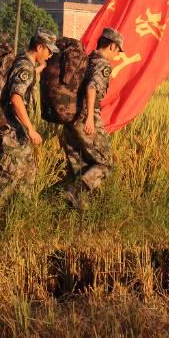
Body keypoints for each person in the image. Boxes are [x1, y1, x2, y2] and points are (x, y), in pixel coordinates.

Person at [60, 27, 123, 209]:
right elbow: (91, 87)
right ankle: (75, 191)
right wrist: (89, 118)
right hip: (86, 117)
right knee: (105, 163)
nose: (117, 55)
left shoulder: (87, 60)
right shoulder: (102, 64)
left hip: (70, 117)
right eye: (118, 50)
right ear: (111, 45)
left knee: (79, 165)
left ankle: (77, 210)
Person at [0, 28, 58, 194]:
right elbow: (16, 98)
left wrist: (39, 69)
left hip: (16, 127)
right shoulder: (25, 67)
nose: (50, 55)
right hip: (10, 126)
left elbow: (20, 77)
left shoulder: (22, 60)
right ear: (39, 47)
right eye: (49, 51)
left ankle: (21, 209)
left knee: (28, 170)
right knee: (7, 176)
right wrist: (31, 129)